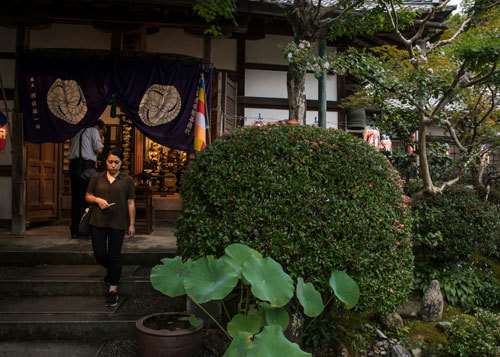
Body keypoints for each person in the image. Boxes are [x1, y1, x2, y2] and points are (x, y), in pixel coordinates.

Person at [85, 147, 136, 307]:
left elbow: (131, 202)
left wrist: (132, 224)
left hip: (118, 222)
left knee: (114, 255)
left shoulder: (127, 180)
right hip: (97, 220)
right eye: (110, 162)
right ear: (105, 162)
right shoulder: (96, 177)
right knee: (99, 254)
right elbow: (87, 196)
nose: (113, 165)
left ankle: (113, 290)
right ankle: (115, 271)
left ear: (121, 163)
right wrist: (98, 200)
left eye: (116, 162)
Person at [68, 120, 105, 239]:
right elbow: (99, 149)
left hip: (73, 166)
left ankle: (74, 230)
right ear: (97, 127)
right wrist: (101, 141)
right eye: (101, 133)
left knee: (75, 199)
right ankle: (85, 230)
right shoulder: (93, 130)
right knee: (88, 197)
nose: (100, 135)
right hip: (86, 166)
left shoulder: (78, 131)